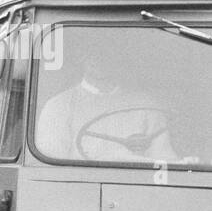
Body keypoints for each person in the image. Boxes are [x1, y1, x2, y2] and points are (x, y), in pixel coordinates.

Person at [34, 55, 175, 163]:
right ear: (81, 57)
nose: (98, 57)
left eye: (106, 50)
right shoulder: (59, 105)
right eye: (91, 49)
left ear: (118, 56)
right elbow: (53, 162)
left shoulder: (145, 105)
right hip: (82, 188)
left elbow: (163, 158)